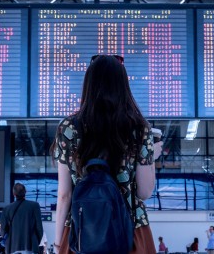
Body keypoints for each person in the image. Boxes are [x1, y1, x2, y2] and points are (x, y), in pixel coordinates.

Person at [51, 54, 163, 254]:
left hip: (81, 231)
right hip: (130, 229)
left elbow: (64, 195)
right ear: (123, 86)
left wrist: (58, 244)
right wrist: (150, 158)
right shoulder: (139, 128)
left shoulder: (68, 128)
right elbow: (144, 192)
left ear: (89, 85)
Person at [0, 183, 43, 254]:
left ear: (14, 194)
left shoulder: (7, 209)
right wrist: (36, 242)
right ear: (25, 192)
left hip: (12, 247)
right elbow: (39, 228)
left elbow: (3, 230)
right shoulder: (34, 206)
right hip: (31, 247)